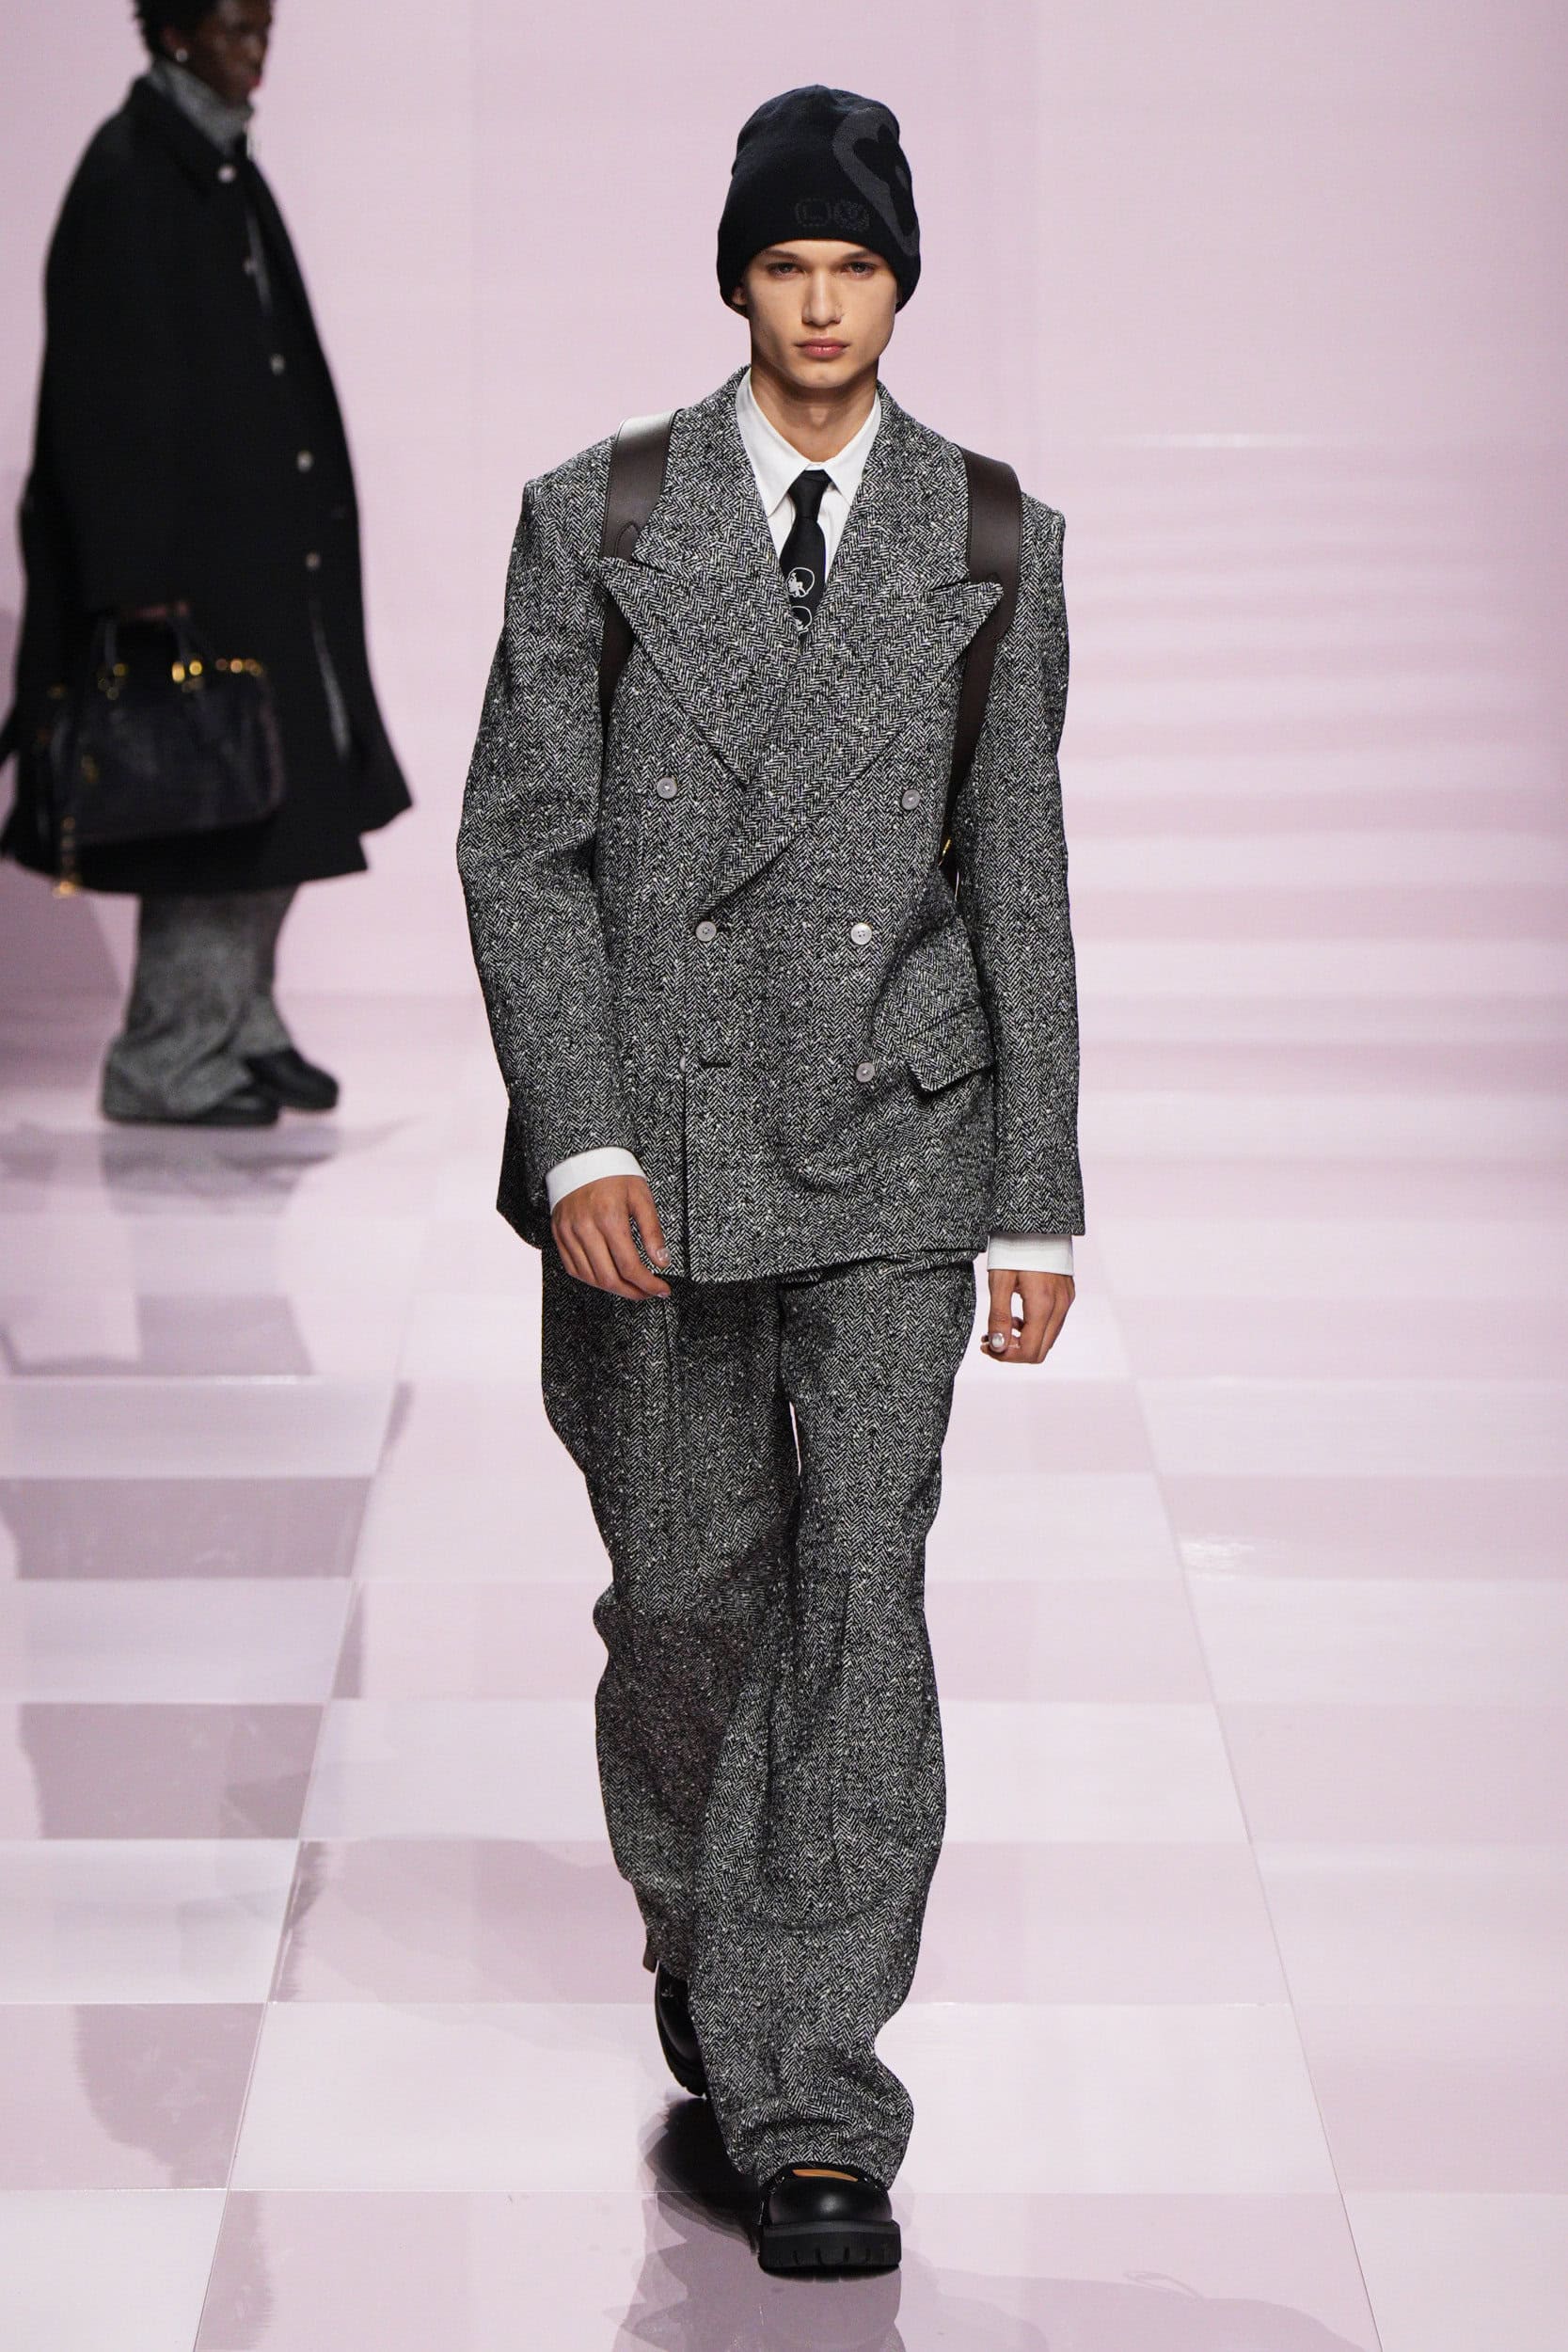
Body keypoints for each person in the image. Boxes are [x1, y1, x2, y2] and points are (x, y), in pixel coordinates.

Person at [458, 85, 1083, 2275]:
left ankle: (813, 2082)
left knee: (857, 1583)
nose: (821, 304)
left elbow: (1017, 879)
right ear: (737, 280)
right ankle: (707, 1921)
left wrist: (1033, 1193)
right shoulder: (594, 517)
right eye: (786, 264)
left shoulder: (993, 539)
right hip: (655, 1148)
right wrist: (581, 1135)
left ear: (900, 288)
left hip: (896, 1134)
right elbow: (522, 846)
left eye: (856, 267)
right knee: (685, 1585)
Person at [0, 1, 409, 1125]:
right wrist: (132, 576)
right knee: (213, 803)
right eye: (233, 26)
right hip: (191, 572)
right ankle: (166, 1058)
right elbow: (96, 393)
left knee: (281, 788)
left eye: (264, 24)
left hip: (256, 554)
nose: (255, 46)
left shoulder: (213, 161)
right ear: (174, 32)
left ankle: (241, 1023)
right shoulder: (133, 172)